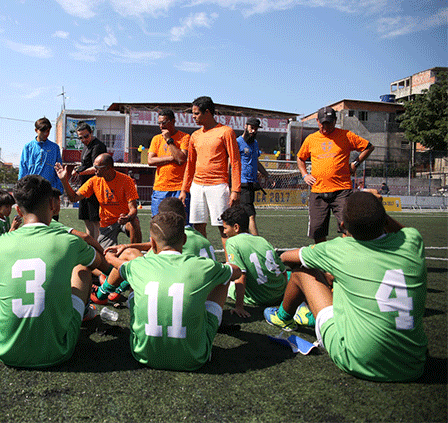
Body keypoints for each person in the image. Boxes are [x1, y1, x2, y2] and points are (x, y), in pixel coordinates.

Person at [264, 190, 427, 382]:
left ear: (342, 226)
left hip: (358, 360)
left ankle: (283, 317)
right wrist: (375, 208)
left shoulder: (337, 249)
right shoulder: (413, 241)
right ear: (383, 219)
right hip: (413, 363)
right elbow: (402, 231)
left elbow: (286, 257)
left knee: (302, 272)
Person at [97, 211, 241, 371]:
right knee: (224, 278)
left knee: (134, 281)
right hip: (194, 358)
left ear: (152, 243)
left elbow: (119, 264)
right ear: (184, 240)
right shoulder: (201, 265)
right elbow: (236, 272)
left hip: (143, 355)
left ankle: (102, 293)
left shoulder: (138, 265)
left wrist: (109, 257)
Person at [0, 175, 105, 368]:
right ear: (52, 203)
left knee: (2, 279)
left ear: (18, 210)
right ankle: (84, 311)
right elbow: (101, 263)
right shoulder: (70, 241)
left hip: (3, 349)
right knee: (82, 269)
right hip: (58, 350)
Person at [297, 106, 374, 243]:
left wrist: (355, 164)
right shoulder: (311, 139)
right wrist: (305, 175)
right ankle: (322, 260)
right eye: (323, 123)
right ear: (317, 121)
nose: (326, 126)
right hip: (318, 191)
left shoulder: (346, 135)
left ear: (335, 121)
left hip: (342, 191)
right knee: (317, 230)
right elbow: (300, 158)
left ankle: (346, 258)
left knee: (348, 227)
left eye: (329, 123)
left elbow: (368, 147)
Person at [180, 96, 241, 250]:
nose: (193, 117)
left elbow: (235, 162)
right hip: (197, 186)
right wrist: (184, 189)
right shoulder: (195, 136)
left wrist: (235, 190)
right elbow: (190, 165)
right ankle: (205, 262)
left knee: (225, 228)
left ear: (207, 112)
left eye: (196, 113)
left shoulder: (226, 132)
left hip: (218, 186)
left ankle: (232, 264)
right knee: (198, 228)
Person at [56, 153, 141, 249]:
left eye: (97, 167)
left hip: (125, 219)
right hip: (107, 223)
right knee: (104, 254)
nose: (94, 169)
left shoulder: (126, 180)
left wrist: (127, 217)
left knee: (134, 222)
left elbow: (133, 209)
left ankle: (135, 251)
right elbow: (74, 198)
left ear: (108, 168)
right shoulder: (94, 181)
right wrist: (64, 180)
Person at [221, 206, 287, 318]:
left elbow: (241, 275)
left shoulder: (232, 242)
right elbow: (283, 271)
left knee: (222, 277)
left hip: (262, 298)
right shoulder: (262, 240)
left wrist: (239, 306)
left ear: (236, 227)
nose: (224, 232)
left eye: (225, 228)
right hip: (280, 293)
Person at [148, 109, 190, 217]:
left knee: (182, 223)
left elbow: (181, 159)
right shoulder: (156, 139)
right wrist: (172, 158)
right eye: (159, 123)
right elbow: (150, 160)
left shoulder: (184, 137)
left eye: (164, 122)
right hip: (160, 189)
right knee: (158, 222)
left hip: (179, 188)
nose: (161, 126)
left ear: (173, 121)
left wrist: (169, 140)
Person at [71, 122, 107, 239]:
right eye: (80, 137)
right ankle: (91, 246)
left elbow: (97, 168)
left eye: (86, 136)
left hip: (96, 187)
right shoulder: (86, 146)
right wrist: (78, 169)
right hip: (85, 186)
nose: (83, 139)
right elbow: (85, 165)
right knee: (86, 218)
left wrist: (80, 172)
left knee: (95, 220)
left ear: (91, 133)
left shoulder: (98, 146)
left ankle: (98, 247)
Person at [237, 117, 269, 235]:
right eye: (251, 128)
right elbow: (231, 162)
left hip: (252, 183)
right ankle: (257, 242)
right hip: (242, 183)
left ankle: (245, 239)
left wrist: (266, 175)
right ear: (245, 126)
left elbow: (256, 161)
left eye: (256, 129)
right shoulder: (238, 142)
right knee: (251, 215)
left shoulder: (255, 143)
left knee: (244, 216)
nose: (253, 131)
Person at [19, 117, 64, 194]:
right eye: (43, 131)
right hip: (31, 190)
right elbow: (23, 169)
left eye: (48, 131)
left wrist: (58, 189)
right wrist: (21, 189)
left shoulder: (54, 147)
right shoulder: (28, 147)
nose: (46, 134)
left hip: (49, 190)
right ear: (36, 130)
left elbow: (59, 169)